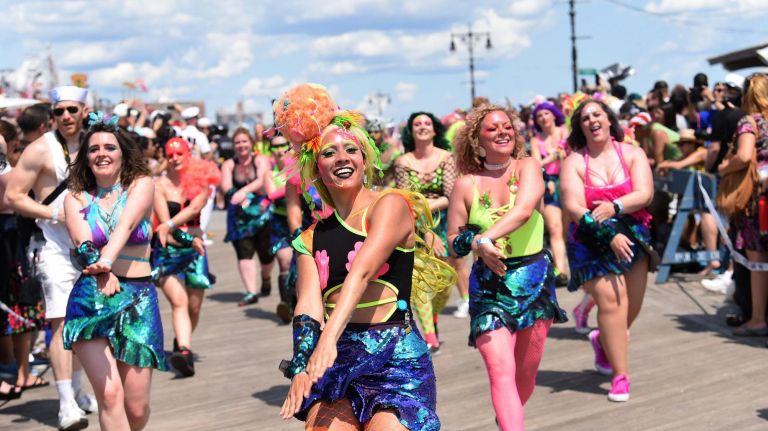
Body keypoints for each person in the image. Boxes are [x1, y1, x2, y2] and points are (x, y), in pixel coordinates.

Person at [279, 110, 455, 430]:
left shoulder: (390, 205)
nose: (341, 158)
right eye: (329, 153)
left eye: (350, 150)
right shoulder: (309, 239)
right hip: (340, 357)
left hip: (395, 356)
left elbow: (361, 273)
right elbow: (307, 307)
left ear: (365, 159)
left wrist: (327, 338)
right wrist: (302, 366)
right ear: (317, 167)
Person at [447, 104, 567, 429]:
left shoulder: (529, 166)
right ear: (477, 140)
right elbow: (454, 240)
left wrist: (483, 237)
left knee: (523, 377)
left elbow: (525, 210)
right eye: (492, 128)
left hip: (533, 280)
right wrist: (475, 244)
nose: (502, 132)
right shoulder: (465, 184)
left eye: (507, 127)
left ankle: (506, 421)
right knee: (500, 370)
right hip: (490, 287)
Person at [62, 115, 166, 430]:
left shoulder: (142, 184)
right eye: (93, 149)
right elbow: (83, 246)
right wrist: (100, 267)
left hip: (139, 298)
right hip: (92, 297)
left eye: (109, 146)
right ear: (86, 157)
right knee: (109, 395)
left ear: (123, 152)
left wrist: (106, 261)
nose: (102, 153)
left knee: (136, 409)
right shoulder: (75, 197)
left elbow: (127, 225)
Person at [3, 86, 97, 429]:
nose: (67, 117)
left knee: (86, 323)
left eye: (73, 110)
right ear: (52, 116)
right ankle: (66, 404)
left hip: (91, 245)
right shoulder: (41, 149)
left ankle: (78, 387)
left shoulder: (96, 142)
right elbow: (14, 196)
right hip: (52, 246)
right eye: (60, 112)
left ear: (84, 110)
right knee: (59, 322)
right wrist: (53, 214)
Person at [560, 99, 654, 402]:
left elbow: (645, 193)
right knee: (613, 300)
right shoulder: (574, 161)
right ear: (580, 127)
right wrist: (606, 233)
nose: (592, 120)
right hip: (590, 241)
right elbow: (574, 207)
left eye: (597, 114)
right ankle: (620, 376)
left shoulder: (633, 153)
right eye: (585, 118)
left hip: (633, 236)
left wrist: (615, 206)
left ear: (609, 120)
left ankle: (604, 338)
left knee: (630, 308)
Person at [394, 111, 465, 348]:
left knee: (445, 282)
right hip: (413, 225)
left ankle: (433, 316)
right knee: (419, 282)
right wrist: (426, 229)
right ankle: (430, 337)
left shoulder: (447, 158)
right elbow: (408, 200)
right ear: (411, 131)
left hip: (445, 222)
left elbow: (451, 195)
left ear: (435, 130)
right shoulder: (403, 162)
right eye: (417, 124)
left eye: (427, 123)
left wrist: (427, 208)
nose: (423, 127)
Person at [152, 137, 217, 377]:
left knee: (194, 307)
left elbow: (194, 208)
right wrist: (166, 226)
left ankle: (182, 340)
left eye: (180, 153)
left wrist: (168, 223)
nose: (175, 158)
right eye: (170, 155)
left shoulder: (200, 181)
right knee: (178, 301)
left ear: (188, 155)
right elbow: (161, 219)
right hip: (168, 251)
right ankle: (185, 352)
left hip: (196, 250)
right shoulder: (158, 184)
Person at [726, 73, 768, 336]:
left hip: (758, 200)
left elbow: (743, 156)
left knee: (758, 260)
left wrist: (724, 167)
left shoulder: (749, 121)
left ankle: (758, 318)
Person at [220, 127, 274, 306]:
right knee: (244, 253)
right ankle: (251, 292)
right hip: (240, 217)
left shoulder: (260, 160)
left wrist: (243, 192)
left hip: (262, 213)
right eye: (237, 142)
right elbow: (226, 187)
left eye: (244, 141)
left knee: (266, 255)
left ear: (251, 143)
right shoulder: (229, 164)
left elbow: (262, 181)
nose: (241, 145)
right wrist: (236, 195)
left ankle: (265, 278)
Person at [528, 102, 570, 286]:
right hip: (549, 183)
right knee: (554, 227)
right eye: (539, 115)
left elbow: (565, 152)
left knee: (569, 229)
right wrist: (549, 172)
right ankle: (561, 271)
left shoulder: (564, 131)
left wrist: (552, 158)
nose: (543, 117)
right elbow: (537, 163)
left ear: (554, 115)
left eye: (546, 113)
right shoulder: (536, 140)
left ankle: (572, 267)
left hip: (568, 181)